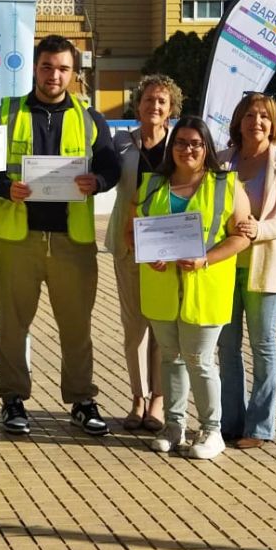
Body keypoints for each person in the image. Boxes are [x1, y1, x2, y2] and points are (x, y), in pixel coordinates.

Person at [0, 35, 121, 437]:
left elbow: (110, 166)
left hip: (72, 240)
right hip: (17, 237)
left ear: (74, 74)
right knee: (11, 325)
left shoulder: (91, 117)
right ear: (35, 68)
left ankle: (81, 399)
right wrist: (7, 188)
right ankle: (12, 399)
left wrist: (98, 180)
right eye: (47, 67)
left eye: (62, 68)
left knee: (76, 326)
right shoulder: (7, 112)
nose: (54, 75)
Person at [128, 116, 250, 460]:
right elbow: (129, 231)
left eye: (196, 143)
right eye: (180, 143)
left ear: (207, 148)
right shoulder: (152, 184)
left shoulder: (226, 185)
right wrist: (145, 254)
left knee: (199, 360)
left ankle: (212, 431)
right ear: (172, 147)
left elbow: (241, 237)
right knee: (170, 358)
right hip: (162, 289)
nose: (187, 150)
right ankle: (174, 425)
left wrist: (206, 259)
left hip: (205, 287)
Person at [217, 92, 276, 449]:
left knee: (263, 345)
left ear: (274, 123)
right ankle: (230, 423)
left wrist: (260, 230)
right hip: (223, 266)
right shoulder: (222, 161)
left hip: (264, 267)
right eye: (250, 115)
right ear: (238, 121)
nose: (257, 122)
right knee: (227, 347)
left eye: (264, 116)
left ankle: (260, 426)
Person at [103, 74, 183, 432]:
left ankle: (159, 401)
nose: (154, 106)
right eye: (149, 100)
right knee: (134, 326)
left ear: (171, 110)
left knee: (162, 326)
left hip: (167, 244)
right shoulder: (121, 142)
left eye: (161, 102)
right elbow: (102, 174)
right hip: (127, 241)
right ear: (138, 105)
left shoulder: (179, 145)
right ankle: (137, 397)